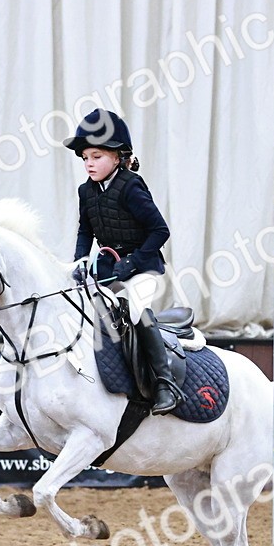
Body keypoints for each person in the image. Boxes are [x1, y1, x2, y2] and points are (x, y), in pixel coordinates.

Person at [64, 109, 181, 415]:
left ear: (117, 157)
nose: (89, 163)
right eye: (85, 157)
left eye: (97, 156)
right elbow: (85, 229)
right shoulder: (85, 191)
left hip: (143, 266)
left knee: (136, 310)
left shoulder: (131, 187)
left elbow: (160, 231)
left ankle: (164, 384)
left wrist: (132, 263)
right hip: (108, 265)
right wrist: (79, 260)